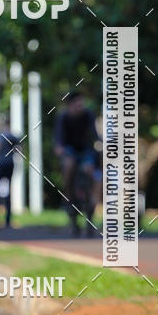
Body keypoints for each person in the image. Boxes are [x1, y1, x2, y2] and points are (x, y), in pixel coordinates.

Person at [54, 91, 99, 235]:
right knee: (69, 165)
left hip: (85, 150)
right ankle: (67, 192)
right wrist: (59, 149)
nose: (80, 106)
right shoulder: (63, 118)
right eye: (77, 103)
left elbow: (95, 135)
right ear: (70, 105)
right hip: (70, 151)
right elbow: (59, 141)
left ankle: (90, 210)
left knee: (91, 171)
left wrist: (101, 144)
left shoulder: (88, 115)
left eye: (82, 103)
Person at [0, 130, 20, 229]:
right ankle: (8, 218)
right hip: (10, 163)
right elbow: (18, 149)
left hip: (1, 163)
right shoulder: (13, 136)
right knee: (8, 190)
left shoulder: (0, 136)